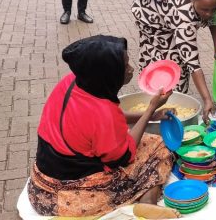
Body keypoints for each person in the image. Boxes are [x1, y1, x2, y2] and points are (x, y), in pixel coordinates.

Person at [28, 35, 174, 216]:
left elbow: (103, 120)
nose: (131, 69)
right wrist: (151, 109)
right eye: (125, 66)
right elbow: (124, 157)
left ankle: (147, 203)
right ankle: (147, 201)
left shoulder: (74, 81)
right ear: (108, 73)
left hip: (40, 187)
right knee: (159, 146)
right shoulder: (103, 112)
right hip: (75, 198)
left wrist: (152, 115)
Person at [132, 0, 216, 121]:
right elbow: (193, 64)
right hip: (149, 18)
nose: (209, 14)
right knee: (167, 68)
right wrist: (207, 99)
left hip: (168, 12)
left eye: (213, 9)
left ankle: (173, 102)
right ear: (193, 0)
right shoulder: (184, 20)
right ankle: (156, 113)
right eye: (204, 10)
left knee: (179, 60)